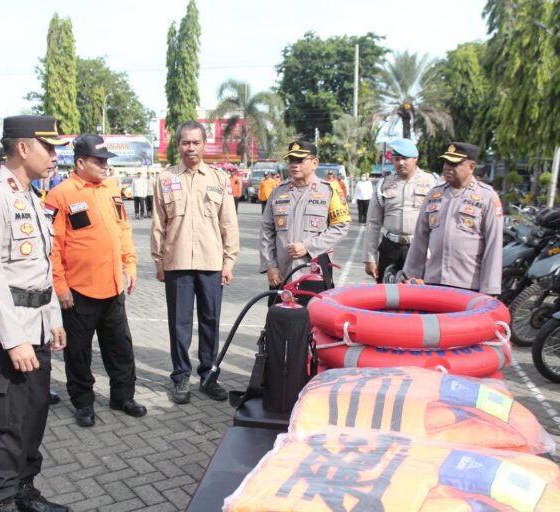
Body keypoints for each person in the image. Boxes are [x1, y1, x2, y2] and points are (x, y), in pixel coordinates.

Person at [0, 116, 70, 512]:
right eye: (50, 147)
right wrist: (14, 339)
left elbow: (40, 268)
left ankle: (24, 491)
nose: (56, 156)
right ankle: (2, 501)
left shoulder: (30, 197)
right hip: (0, 338)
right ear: (24, 148)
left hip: (35, 328)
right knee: (2, 427)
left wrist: (54, 319)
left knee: (31, 418)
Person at [45, 134, 146, 427]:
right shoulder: (60, 195)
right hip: (79, 291)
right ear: (80, 162)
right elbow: (52, 247)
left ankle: (123, 396)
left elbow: (123, 229)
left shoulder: (112, 189)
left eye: (106, 161)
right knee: (78, 352)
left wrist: (130, 263)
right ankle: (83, 403)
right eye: (99, 161)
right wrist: (60, 286)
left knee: (120, 347)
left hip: (113, 286)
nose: (105, 166)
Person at [151, 120, 239, 405]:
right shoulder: (164, 179)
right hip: (176, 263)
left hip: (211, 262)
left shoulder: (219, 179)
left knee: (210, 321)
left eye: (196, 142)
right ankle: (180, 377)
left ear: (204, 145)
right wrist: (158, 262)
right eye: (185, 142)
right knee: (180, 323)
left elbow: (229, 224)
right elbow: (158, 225)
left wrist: (229, 262)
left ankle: (209, 375)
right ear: (178, 145)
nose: (191, 147)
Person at [403, 142, 503, 296]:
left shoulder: (487, 197)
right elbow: (420, 240)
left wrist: (490, 290)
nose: (448, 167)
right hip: (433, 281)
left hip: (468, 285)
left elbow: (493, 245)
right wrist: (410, 275)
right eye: (446, 162)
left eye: (455, 163)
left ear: (471, 167)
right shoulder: (434, 195)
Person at [259, 140, 351, 296]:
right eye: (291, 160)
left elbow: (341, 226)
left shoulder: (329, 191)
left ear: (314, 163)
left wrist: (308, 246)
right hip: (282, 273)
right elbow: (266, 231)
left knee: (313, 318)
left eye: (300, 160)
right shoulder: (277, 192)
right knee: (280, 318)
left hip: (315, 272)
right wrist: (270, 266)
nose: (294, 165)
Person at [364, 139, 439, 282]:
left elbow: (440, 223)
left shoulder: (432, 183)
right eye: (396, 159)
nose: (400, 163)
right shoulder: (383, 184)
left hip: (419, 249)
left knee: (417, 298)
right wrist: (370, 258)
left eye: (405, 158)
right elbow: (372, 223)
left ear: (416, 159)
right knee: (387, 296)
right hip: (390, 248)